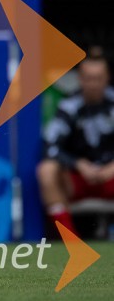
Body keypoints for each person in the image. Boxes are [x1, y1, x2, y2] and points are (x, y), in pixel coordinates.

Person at [37, 54, 114, 235]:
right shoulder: (68, 106)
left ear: (107, 78)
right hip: (78, 180)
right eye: (88, 78)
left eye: (98, 78)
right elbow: (49, 145)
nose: (93, 84)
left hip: (110, 178)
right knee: (46, 170)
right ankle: (70, 242)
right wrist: (78, 164)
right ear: (80, 79)